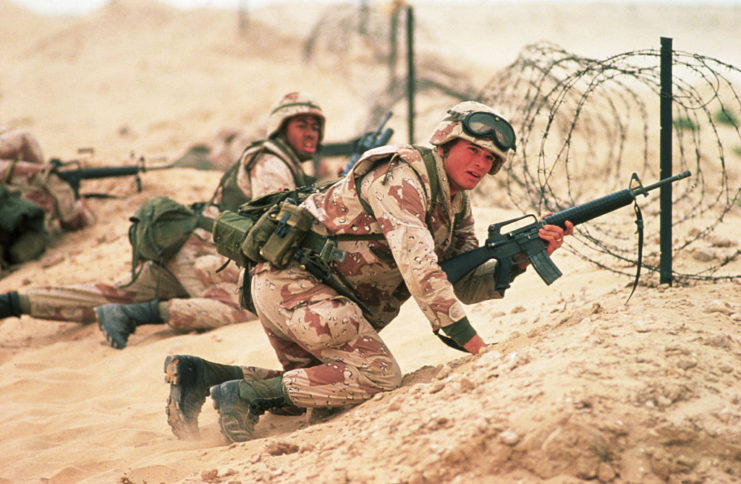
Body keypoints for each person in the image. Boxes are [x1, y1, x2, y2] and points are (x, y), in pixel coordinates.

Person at [162, 100, 574, 442]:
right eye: (473, 151)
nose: (481, 164)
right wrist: (477, 347)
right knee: (377, 375)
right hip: (295, 284)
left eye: (490, 158)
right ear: (446, 143)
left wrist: (521, 258)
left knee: (321, 386)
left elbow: (461, 283)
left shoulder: (456, 204)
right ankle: (244, 394)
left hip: (303, 292)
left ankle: (205, 376)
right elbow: (420, 268)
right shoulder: (401, 177)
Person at [0, 91, 327, 351]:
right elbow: (279, 224)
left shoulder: (275, 160)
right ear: (281, 128)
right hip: (206, 253)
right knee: (251, 308)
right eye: (302, 126)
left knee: (113, 293)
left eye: (315, 127)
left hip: (185, 245)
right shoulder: (271, 162)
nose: (310, 133)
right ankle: (137, 316)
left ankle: (14, 302)